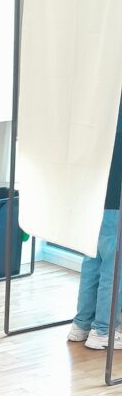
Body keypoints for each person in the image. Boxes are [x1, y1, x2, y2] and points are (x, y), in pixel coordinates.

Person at [67, 97, 122, 349]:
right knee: (114, 264)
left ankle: (81, 325)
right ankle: (102, 331)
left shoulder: (100, 98)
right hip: (115, 197)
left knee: (93, 258)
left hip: (94, 196)